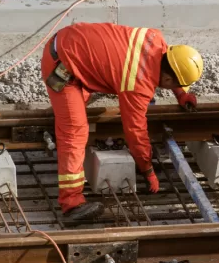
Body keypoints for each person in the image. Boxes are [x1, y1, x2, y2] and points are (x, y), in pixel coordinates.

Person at [41, 23, 203, 222]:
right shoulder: (138, 83)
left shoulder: (155, 38)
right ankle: (71, 203)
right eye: (177, 85)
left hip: (71, 40)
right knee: (75, 131)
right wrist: (147, 169)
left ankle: (63, 119)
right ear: (169, 79)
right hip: (62, 67)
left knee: (74, 116)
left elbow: (171, 67)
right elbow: (135, 132)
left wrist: (181, 93)